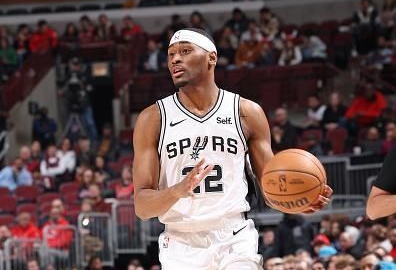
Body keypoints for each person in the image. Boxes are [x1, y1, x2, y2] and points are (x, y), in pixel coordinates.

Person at [132, 28, 332, 269]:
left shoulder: (246, 112)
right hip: (180, 241)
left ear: (211, 58)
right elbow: (142, 206)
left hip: (234, 237)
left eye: (185, 51)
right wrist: (177, 191)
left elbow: (270, 188)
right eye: (171, 54)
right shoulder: (153, 119)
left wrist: (297, 200)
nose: (175, 59)